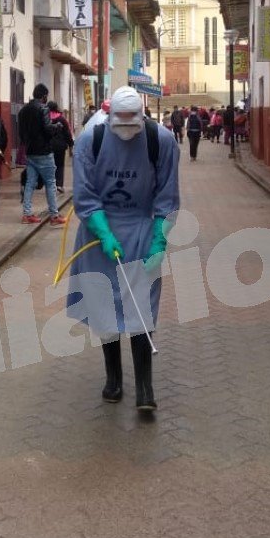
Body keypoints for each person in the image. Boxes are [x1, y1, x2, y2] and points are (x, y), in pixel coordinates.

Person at [67, 86, 180, 411]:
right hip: (98, 232)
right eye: (122, 121)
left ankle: (145, 386)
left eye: (134, 122)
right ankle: (113, 377)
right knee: (105, 308)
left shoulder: (162, 141)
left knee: (141, 310)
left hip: (143, 231)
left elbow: (167, 195)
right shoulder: (91, 139)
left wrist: (160, 237)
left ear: (143, 116)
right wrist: (103, 232)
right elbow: (85, 196)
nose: (128, 129)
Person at [18, 83, 67, 225]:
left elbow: (21, 133)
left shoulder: (23, 110)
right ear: (44, 96)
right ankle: (54, 216)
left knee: (30, 183)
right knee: (51, 183)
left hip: (30, 152)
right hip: (44, 152)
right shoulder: (43, 108)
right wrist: (57, 126)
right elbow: (47, 129)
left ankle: (27, 214)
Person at [48, 100, 74, 193]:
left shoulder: (45, 118)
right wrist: (71, 144)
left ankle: (51, 185)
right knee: (60, 165)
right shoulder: (62, 119)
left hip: (48, 146)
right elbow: (67, 133)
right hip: (60, 146)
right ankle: (59, 184)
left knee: (50, 166)